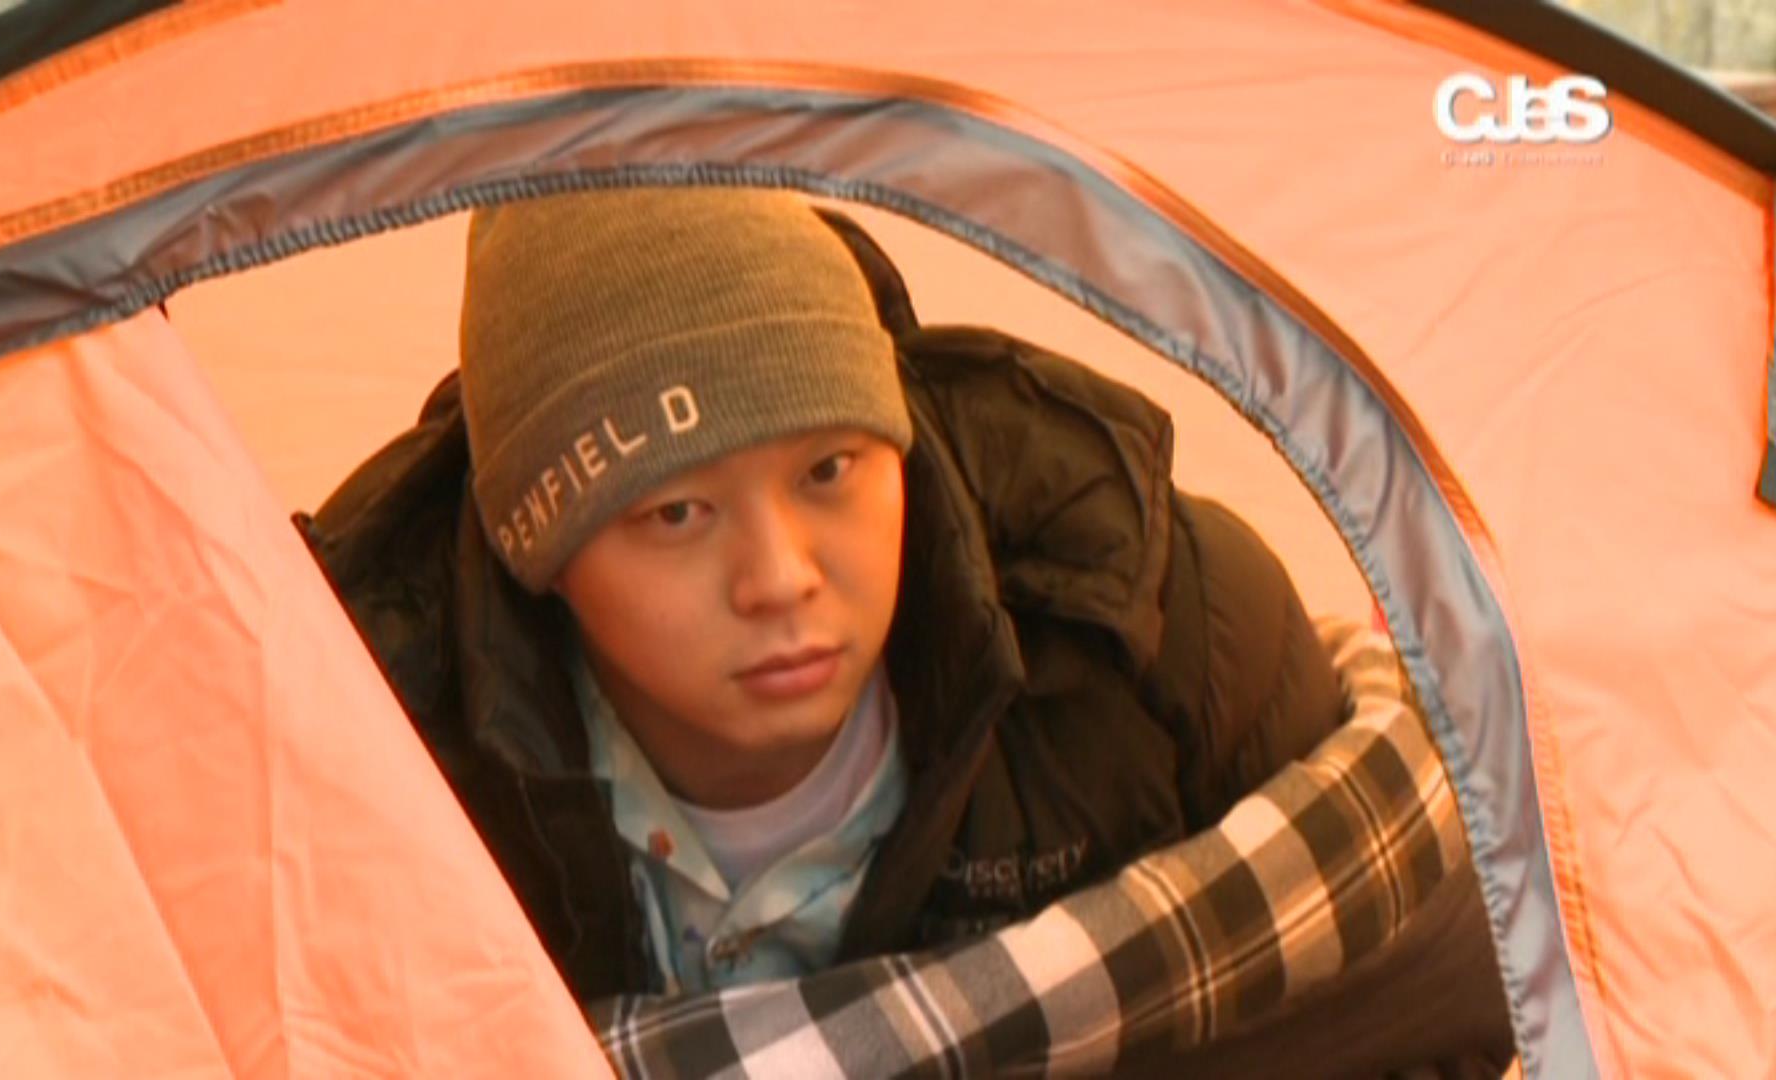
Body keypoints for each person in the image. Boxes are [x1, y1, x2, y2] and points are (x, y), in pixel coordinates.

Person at [302, 186, 1352, 1000]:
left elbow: (1403, 1006)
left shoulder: (1158, 622)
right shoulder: (356, 765)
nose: (781, 578)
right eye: (676, 513)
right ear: (541, 554)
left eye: (829, 471)